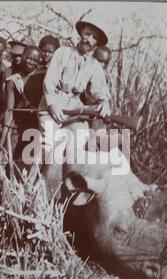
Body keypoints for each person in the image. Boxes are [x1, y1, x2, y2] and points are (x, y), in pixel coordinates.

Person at [37, 19, 111, 199]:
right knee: (53, 148)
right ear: (80, 35)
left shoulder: (94, 65)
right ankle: (45, 197)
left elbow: (100, 91)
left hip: (75, 111)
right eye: (87, 34)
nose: (89, 40)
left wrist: (105, 103)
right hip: (52, 105)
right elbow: (50, 81)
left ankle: (71, 195)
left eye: (94, 38)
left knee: (77, 146)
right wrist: (53, 105)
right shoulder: (63, 53)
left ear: (96, 43)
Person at [0, 46, 43, 170]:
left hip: (36, 125)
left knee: (27, 162)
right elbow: (10, 109)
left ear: (39, 62)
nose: (30, 62)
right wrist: (2, 139)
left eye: (35, 60)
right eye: (28, 58)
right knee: (6, 159)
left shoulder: (43, 78)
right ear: (22, 57)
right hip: (17, 124)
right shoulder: (12, 80)